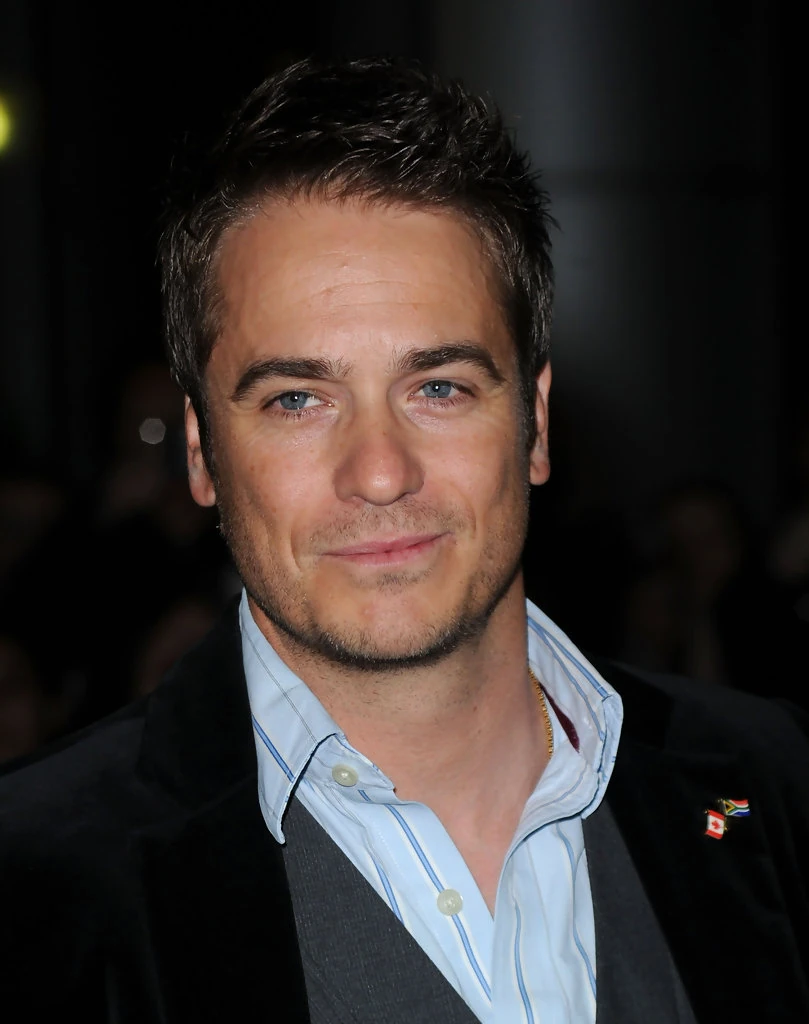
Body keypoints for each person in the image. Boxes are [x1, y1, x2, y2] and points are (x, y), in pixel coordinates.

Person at [1, 56, 807, 1024]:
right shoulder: (35, 882)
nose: (379, 472)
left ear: (534, 424)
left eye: (438, 388)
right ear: (202, 451)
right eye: (296, 400)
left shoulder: (769, 786)